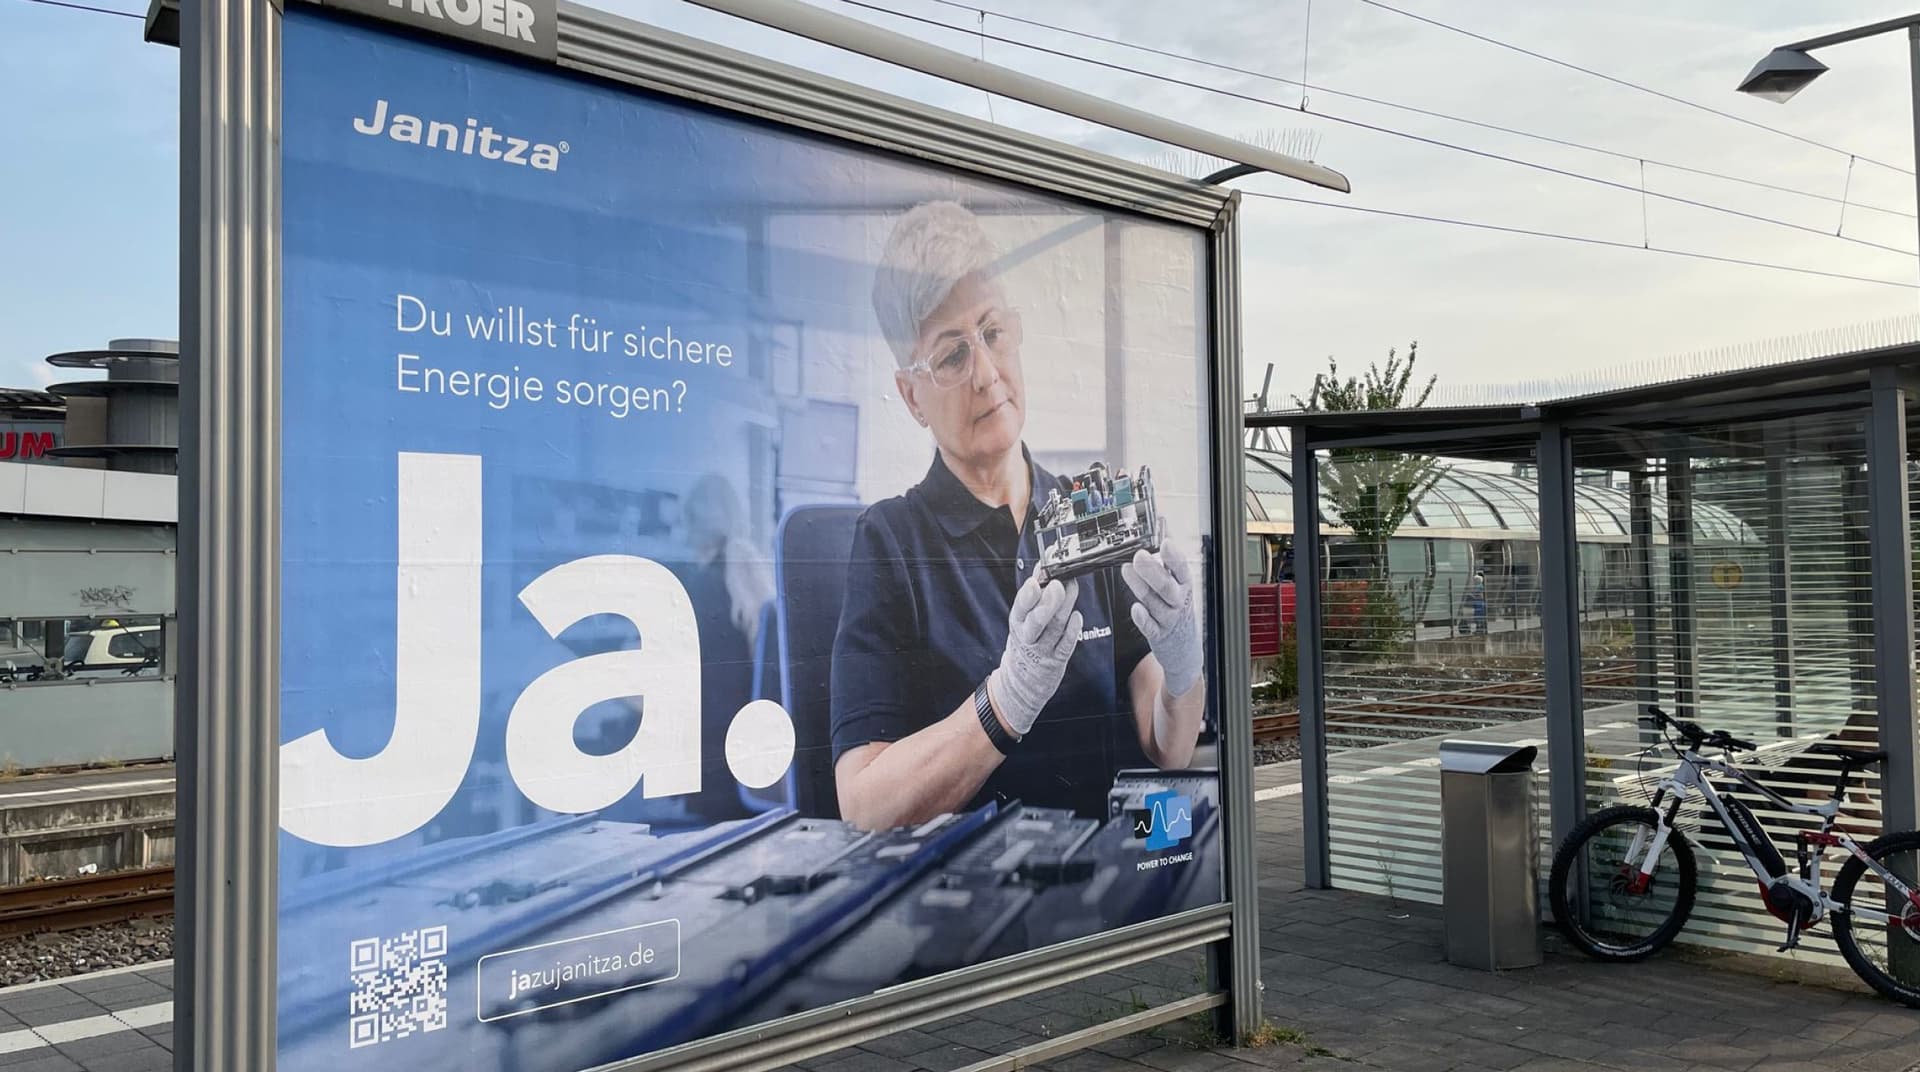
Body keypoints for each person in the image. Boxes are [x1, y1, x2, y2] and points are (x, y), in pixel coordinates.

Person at [829, 201, 1207, 831]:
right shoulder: (891, 543)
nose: (985, 373)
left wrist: (1184, 665)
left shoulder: (1089, 523)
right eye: (952, 356)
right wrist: (1007, 700)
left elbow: (1168, 745)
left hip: (1102, 869)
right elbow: (864, 805)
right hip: (971, 886)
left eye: (993, 333)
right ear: (911, 395)